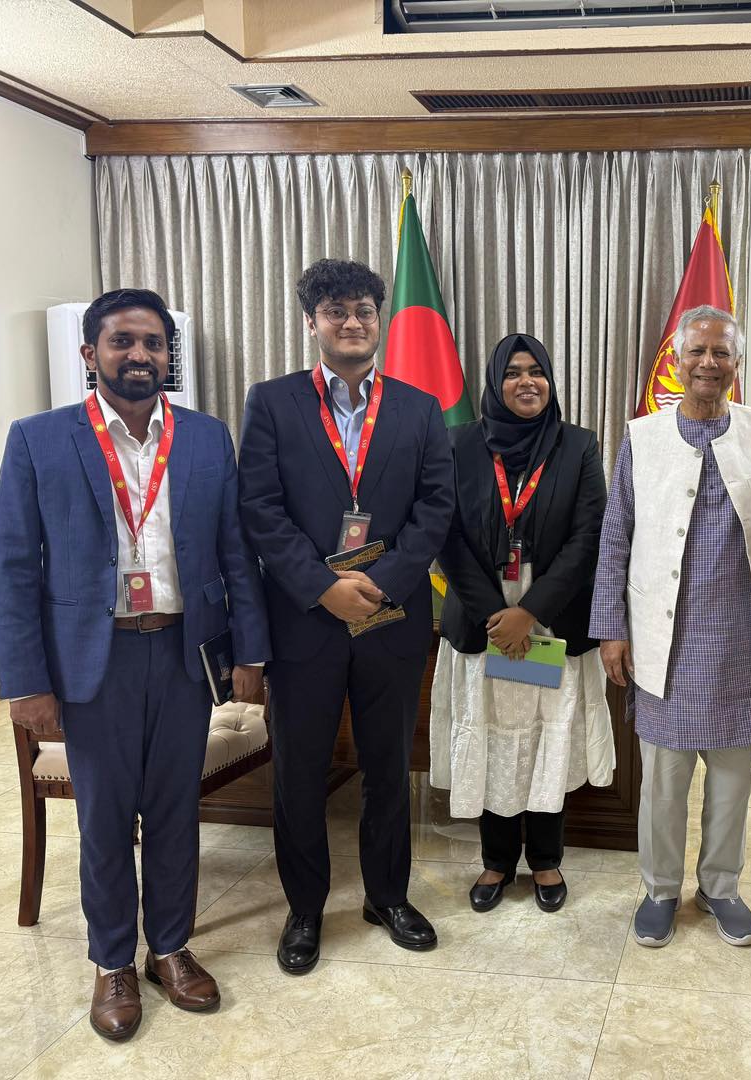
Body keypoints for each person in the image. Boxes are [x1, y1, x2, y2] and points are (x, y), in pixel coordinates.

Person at [0, 289, 269, 1040]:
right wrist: (26, 682)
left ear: (167, 354)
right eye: (123, 341)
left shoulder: (206, 437)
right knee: (106, 818)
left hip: (183, 653)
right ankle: (112, 960)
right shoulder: (39, 439)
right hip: (93, 661)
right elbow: (11, 569)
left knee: (176, 810)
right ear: (91, 354)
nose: (140, 354)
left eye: (153, 342)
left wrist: (249, 650)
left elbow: (236, 552)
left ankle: (169, 948)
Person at [238, 258, 454, 973]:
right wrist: (320, 586)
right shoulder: (272, 402)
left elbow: (436, 508)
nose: (352, 322)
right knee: (299, 771)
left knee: (389, 767)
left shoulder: (420, 407)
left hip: (390, 620)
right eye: (336, 311)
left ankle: (387, 897)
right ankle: (305, 908)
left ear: (379, 319)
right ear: (313, 323)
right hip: (304, 621)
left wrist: (381, 582)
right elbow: (259, 508)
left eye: (363, 309)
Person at [590, 304, 751, 950]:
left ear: (737, 362)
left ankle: (721, 887)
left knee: (731, 783)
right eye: (697, 352)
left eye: (721, 352)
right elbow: (615, 537)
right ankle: (659, 890)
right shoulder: (642, 437)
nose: (709, 363)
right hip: (663, 643)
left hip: (737, 641)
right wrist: (611, 627)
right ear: (676, 362)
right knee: (664, 780)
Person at [430, 334, 614, 913]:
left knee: (543, 739)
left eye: (537, 371)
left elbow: (588, 537)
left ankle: (546, 860)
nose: (527, 382)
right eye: (512, 372)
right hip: (482, 620)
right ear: (494, 382)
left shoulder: (578, 445)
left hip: (550, 620)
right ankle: (496, 861)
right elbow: (446, 536)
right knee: (491, 736)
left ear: (551, 381)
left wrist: (528, 613)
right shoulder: (458, 444)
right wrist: (497, 615)